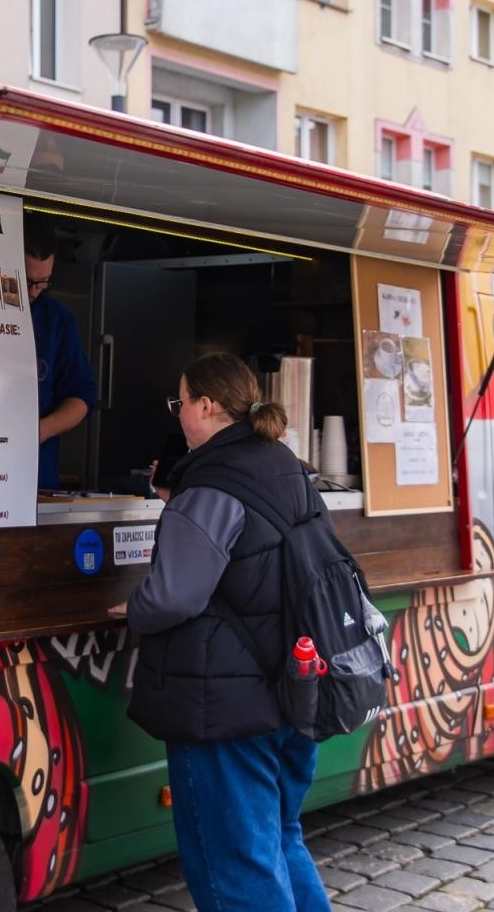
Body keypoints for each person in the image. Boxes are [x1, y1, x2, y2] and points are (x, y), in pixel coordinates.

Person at [112, 353, 332, 912]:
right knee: (280, 841)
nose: (178, 412)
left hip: (226, 711)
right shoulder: (285, 464)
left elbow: (174, 595)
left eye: (180, 401)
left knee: (236, 870)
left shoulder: (210, 484)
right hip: (293, 690)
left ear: (206, 406)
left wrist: (133, 608)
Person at [25, 216, 98, 489]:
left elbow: (81, 396)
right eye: (26, 280)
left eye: (42, 282)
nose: (34, 292)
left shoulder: (57, 320)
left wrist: (42, 430)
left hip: (36, 478)